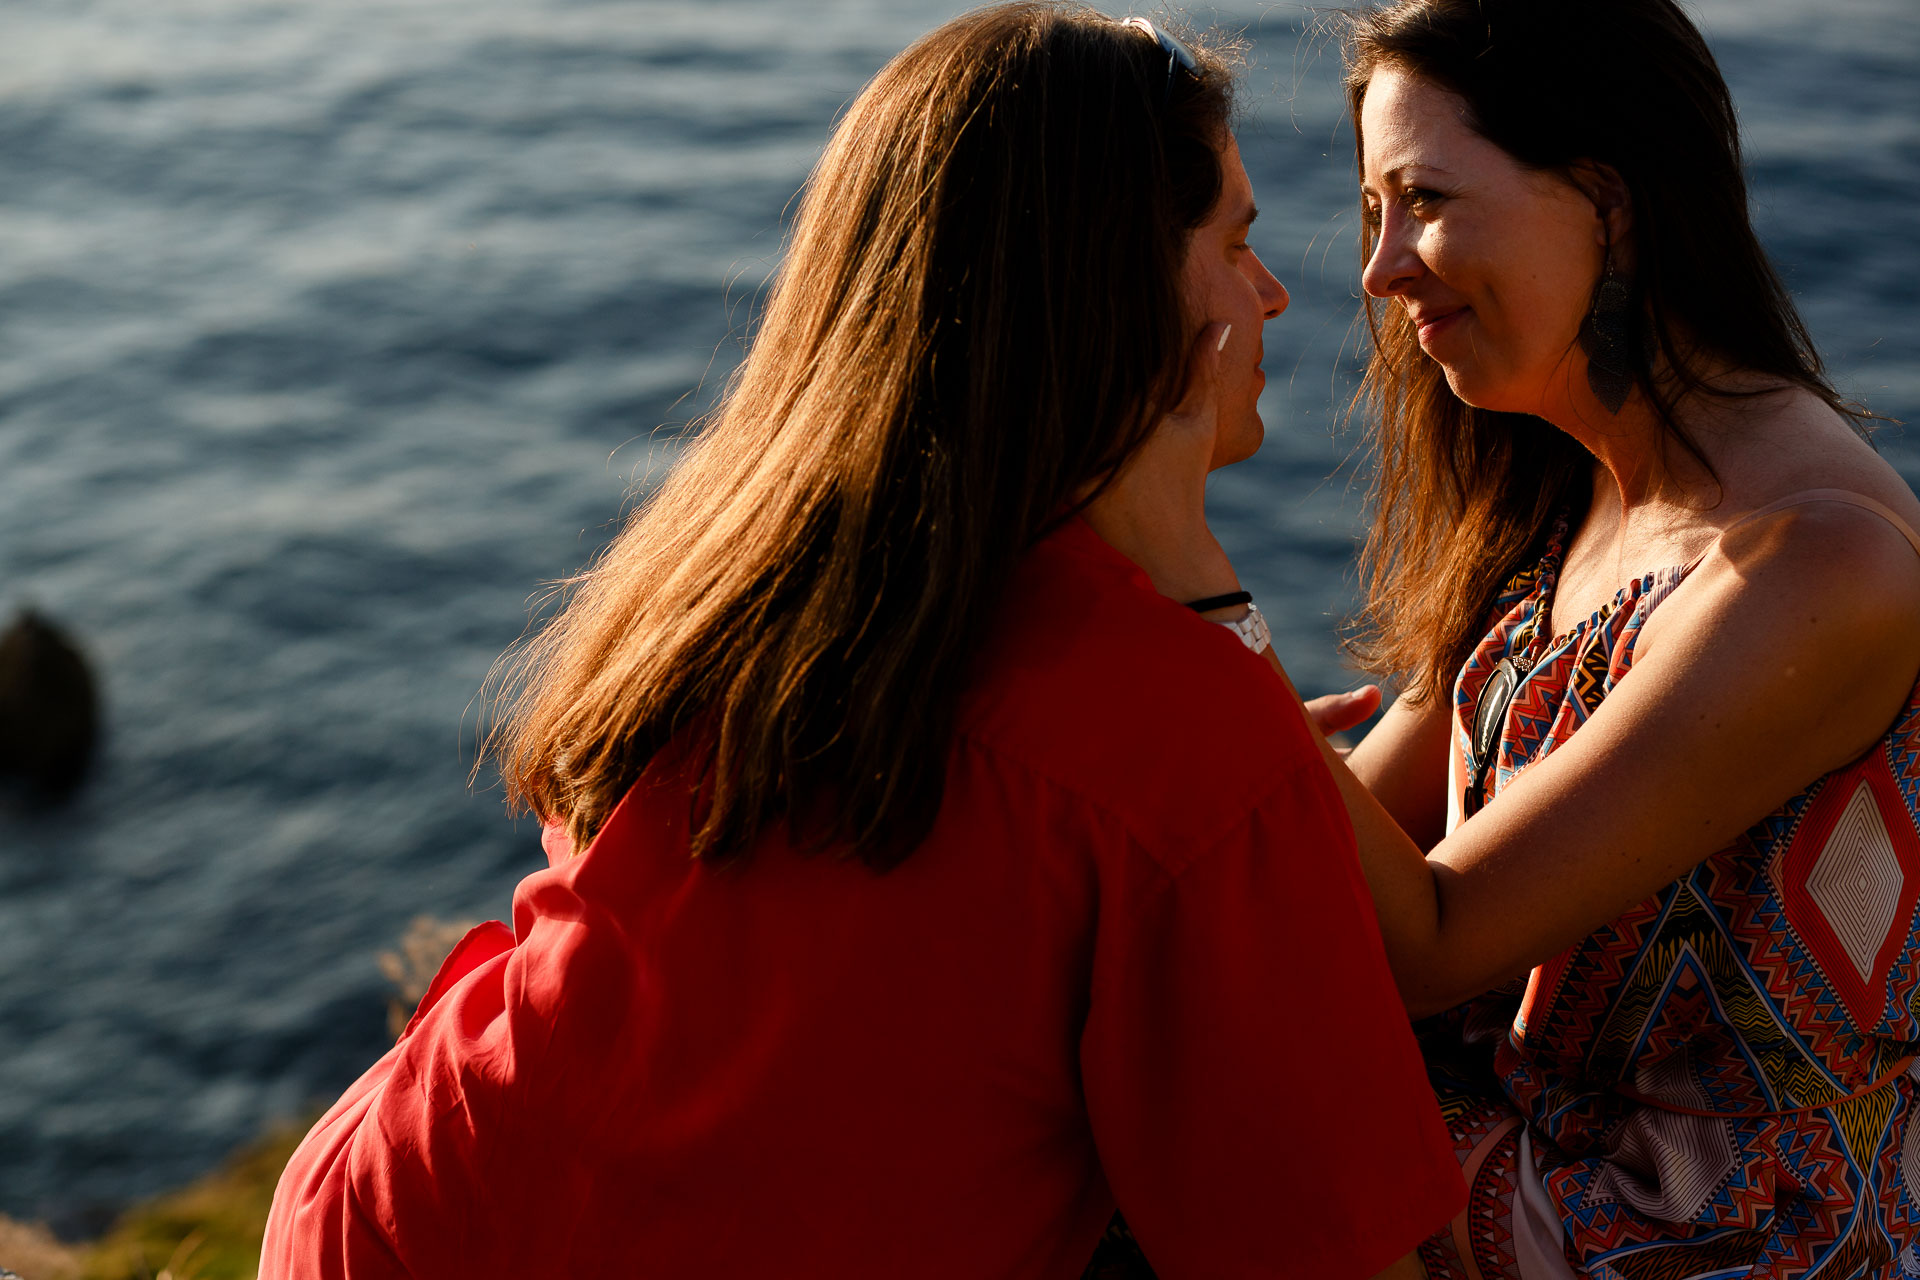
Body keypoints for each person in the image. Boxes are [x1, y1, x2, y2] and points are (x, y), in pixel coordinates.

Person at [258, 6, 1463, 1276]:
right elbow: (1328, 1240)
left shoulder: (771, 569)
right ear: (1117, 292)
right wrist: (1235, 760)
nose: (1274, 292)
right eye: (1236, 241)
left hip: (393, 1199)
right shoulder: (1174, 726)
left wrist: (1240, 795)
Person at [1102, 0, 1920, 1275]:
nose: (1377, 271)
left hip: (1694, 1229)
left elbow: (1422, 941)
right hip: (1521, 1148)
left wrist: (1197, 583)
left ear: (1609, 200)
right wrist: (1250, 756)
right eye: (1373, 211)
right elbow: (1328, 880)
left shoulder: (1819, 561)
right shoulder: (1570, 498)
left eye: (1422, 199)